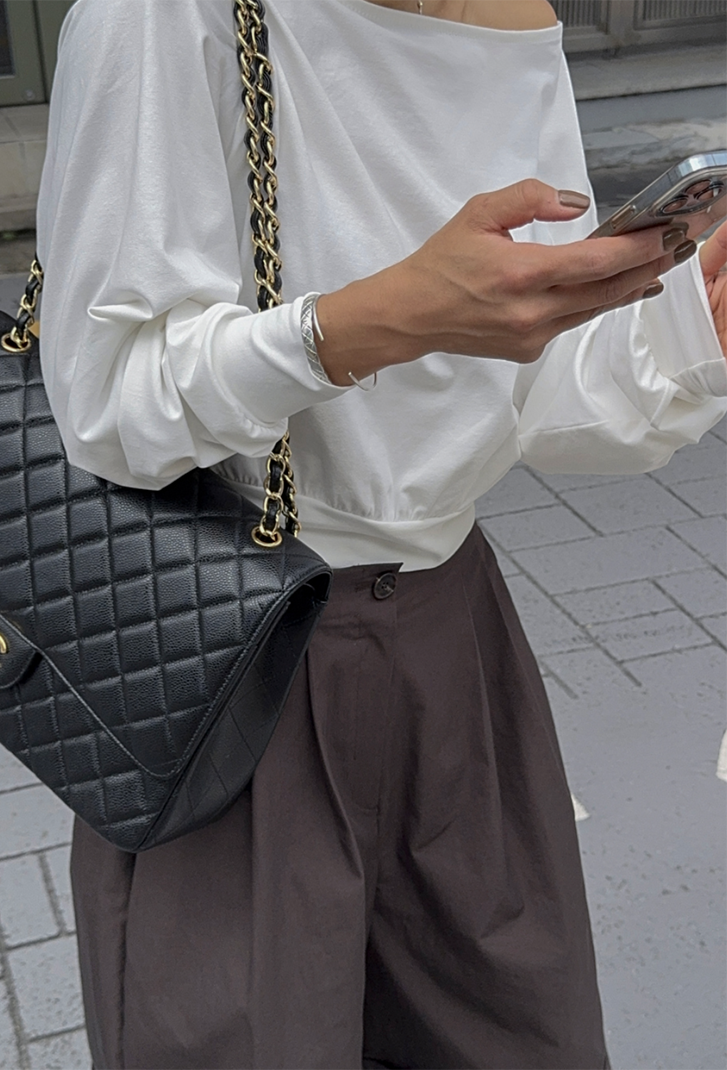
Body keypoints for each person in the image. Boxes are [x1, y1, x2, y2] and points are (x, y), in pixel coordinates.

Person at [36, 0, 727, 1067]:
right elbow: (110, 404)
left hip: (454, 639)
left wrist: (691, 328)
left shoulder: (515, 17)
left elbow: (533, 392)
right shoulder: (166, 16)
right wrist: (374, 320)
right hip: (228, 659)